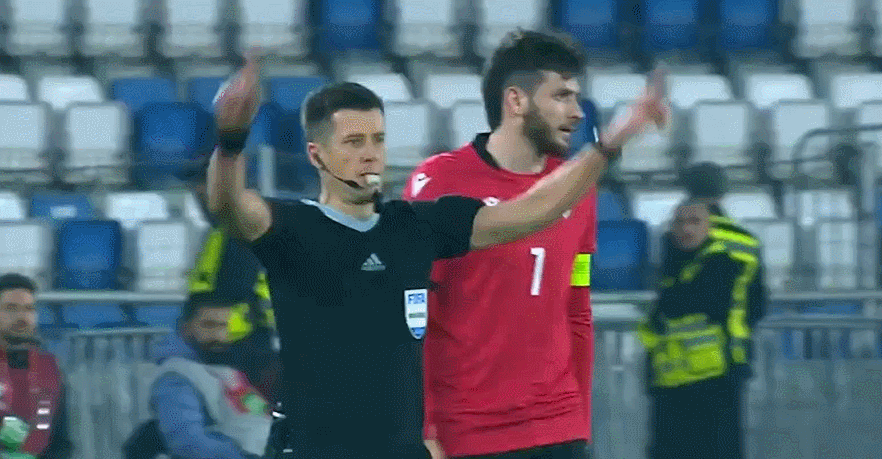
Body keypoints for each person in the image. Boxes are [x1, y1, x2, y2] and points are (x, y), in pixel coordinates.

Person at [207, 52, 668, 458]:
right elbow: (227, 205)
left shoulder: (414, 226)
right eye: (353, 142)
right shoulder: (292, 227)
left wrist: (612, 141)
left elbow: (533, 210)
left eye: (378, 139)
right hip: (314, 450)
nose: (370, 154)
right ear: (316, 155)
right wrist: (231, 141)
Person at [403, 30, 597, 459]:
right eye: (561, 96)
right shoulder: (439, 182)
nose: (577, 112)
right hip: (471, 434)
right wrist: (424, 427)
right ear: (516, 101)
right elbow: (416, 315)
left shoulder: (577, 189)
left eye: (577, 97)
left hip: (559, 429)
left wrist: (580, 420)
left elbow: (577, 306)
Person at [638, 201, 760, 459]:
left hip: (715, 379)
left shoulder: (722, 263)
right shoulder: (671, 262)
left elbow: (683, 305)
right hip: (670, 381)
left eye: (695, 222)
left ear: (710, 227)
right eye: (680, 223)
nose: (686, 229)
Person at [180, 166, 281, 402]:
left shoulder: (242, 229)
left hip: (239, 345)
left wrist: (199, 323)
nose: (200, 199)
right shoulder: (225, 230)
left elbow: (229, 293)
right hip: (236, 342)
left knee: (243, 414)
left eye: (206, 191)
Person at [148, 293, 273, 459]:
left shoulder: (223, 365)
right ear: (186, 328)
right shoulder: (176, 377)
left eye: (223, 326)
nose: (218, 335)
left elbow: (256, 415)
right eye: (209, 325)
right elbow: (188, 444)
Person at [678, 162, 768, 342]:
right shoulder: (746, 240)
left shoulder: (677, 237)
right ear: (722, 193)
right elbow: (758, 301)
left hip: (682, 349)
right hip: (732, 345)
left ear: (688, 192)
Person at [0, 273, 71, 459]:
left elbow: (61, 442)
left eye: (29, 309)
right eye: (11, 308)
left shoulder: (49, 369)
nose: (22, 317)